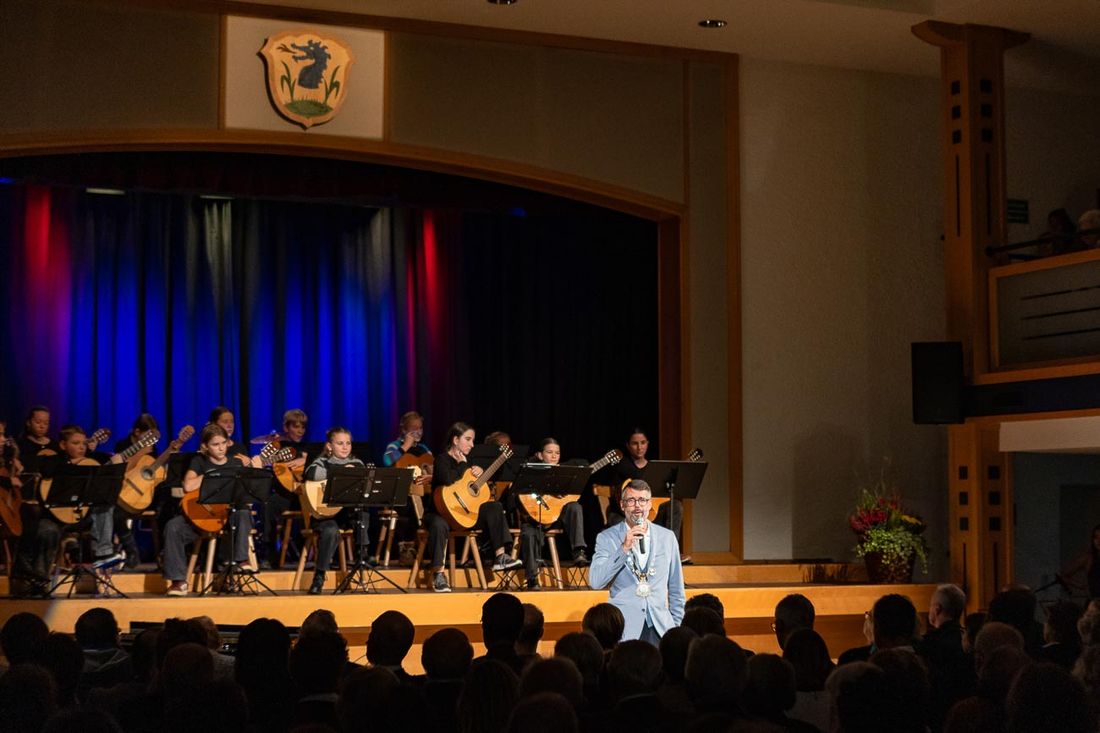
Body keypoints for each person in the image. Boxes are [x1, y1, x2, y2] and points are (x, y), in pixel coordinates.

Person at [161, 423, 258, 596]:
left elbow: (251, 490)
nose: (221, 448)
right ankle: (178, 581)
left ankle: (241, 560)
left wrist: (254, 466)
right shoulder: (199, 462)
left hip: (229, 518)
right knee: (173, 526)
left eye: (223, 443)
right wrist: (212, 474)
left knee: (243, 511)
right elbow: (188, 486)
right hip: (205, 518)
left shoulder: (236, 462)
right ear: (205, 446)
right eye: (215, 444)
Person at [425, 422, 521, 592]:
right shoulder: (442, 460)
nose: (471, 444)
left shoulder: (469, 462)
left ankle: (500, 556)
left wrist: (478, 474)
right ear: (455, 440)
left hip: (465, 514)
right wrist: (464, 466)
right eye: (468, 439)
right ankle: (438, 574)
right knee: (439, 525)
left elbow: (472, 492)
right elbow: (448, 481)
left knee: (495, 506)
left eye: (473, 440)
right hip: (441, 514)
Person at [589, 479, 685, 644]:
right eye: (631, 501)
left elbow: (676, 588)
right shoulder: (606, 538)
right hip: (625, 630)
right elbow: (595, 582)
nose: (637, 506)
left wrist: (676, 627)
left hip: (661, 628)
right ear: (622, 505)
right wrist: (623, 548)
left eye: (642, 500)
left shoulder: (667, 537)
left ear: (650, 504)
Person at [302, 426, 371, 594]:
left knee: (363, 514)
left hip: (348, 514)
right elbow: (311, 474)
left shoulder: (357, 463)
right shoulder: (321, 462)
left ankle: (361, 555)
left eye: (348, 443)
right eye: (340, 443)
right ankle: (319, 576)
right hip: (326, 516)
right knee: (331, 531)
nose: (345, 447)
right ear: (329, 446)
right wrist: (341, 472)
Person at [609, 427, 688, 562]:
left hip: (651, 512)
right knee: (616, 520)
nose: (639, 447)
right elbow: (618, 496)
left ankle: (670, 551)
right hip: (626, 513)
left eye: (643, 443)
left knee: (675, 505)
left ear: (647, 444)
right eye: (635, 443)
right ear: (628, 446)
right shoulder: (621, 466)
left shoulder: (655, 468)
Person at [518, 438, 587, 590]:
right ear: (540, 455)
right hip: (535, 519)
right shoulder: (530, 472)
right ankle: (532, 579)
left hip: (557, 518)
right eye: (549, 452)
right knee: (528, 534)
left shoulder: (565, 473)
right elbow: (519, 496)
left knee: (574, 506)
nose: (554, 456)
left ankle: (579, 551)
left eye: (557, 453)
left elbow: (583, 463)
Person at [259, 408, 309, 568]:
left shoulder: (308, 448)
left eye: (302, 427)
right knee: (269, 504)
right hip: (285, 496)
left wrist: (304, 461)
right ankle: (269, 553)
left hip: (305, 495)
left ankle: (312, 553)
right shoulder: (278, 447)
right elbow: (263, 462)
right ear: (286, 427)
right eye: (296, 426)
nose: (300, 431)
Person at [1061, 523, 1100, 599]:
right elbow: (1064, 575)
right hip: (1094, 602)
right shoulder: (1088, 558)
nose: (1099, 541)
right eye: (1096, 537)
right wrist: (1080, 586)